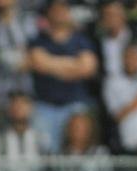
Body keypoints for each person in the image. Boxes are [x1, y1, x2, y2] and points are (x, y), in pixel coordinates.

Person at [27, 0, 99, 153]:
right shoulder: (38, 40)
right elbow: (38, 63)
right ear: (48, 14)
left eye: (63, 10)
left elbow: (88, 68)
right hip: (45, 105)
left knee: (77, 147)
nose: (59, 14)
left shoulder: (81, 40)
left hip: (75, 104)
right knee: (46, 151)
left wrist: (52, 64)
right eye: (55, 10)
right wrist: (73, 66)